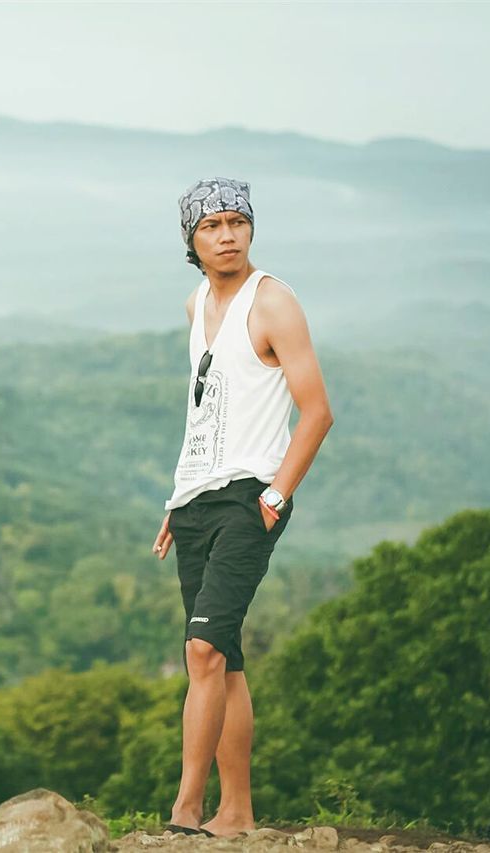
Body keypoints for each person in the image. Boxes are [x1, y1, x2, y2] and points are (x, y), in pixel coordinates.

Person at [150, 177, 335, 838]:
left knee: (200, 649)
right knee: (222, 655)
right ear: (191, 240)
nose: (227, 235)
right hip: (199, 496)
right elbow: (201, 411)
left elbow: (317, 411)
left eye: (237, 222)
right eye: (212, 225)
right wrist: (179, 495)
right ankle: (238, 812)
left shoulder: (274, 302)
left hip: (250, 495)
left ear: (251, 228)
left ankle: (185, 810)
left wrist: (277, 494)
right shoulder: (196, 302)